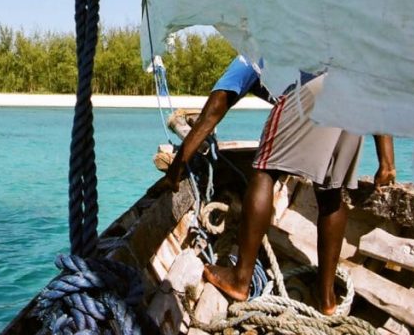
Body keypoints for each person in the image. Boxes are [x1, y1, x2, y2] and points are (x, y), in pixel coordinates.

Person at [164, 56, 395, 315]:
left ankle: (240, 279)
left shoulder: (255, 47)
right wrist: (387, 160)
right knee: (331, 189)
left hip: (315, 88)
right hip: (358, 98)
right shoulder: (319, 32)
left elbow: (217, 106)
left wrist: (178, 164)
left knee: (264, 171)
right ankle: (327, 298)